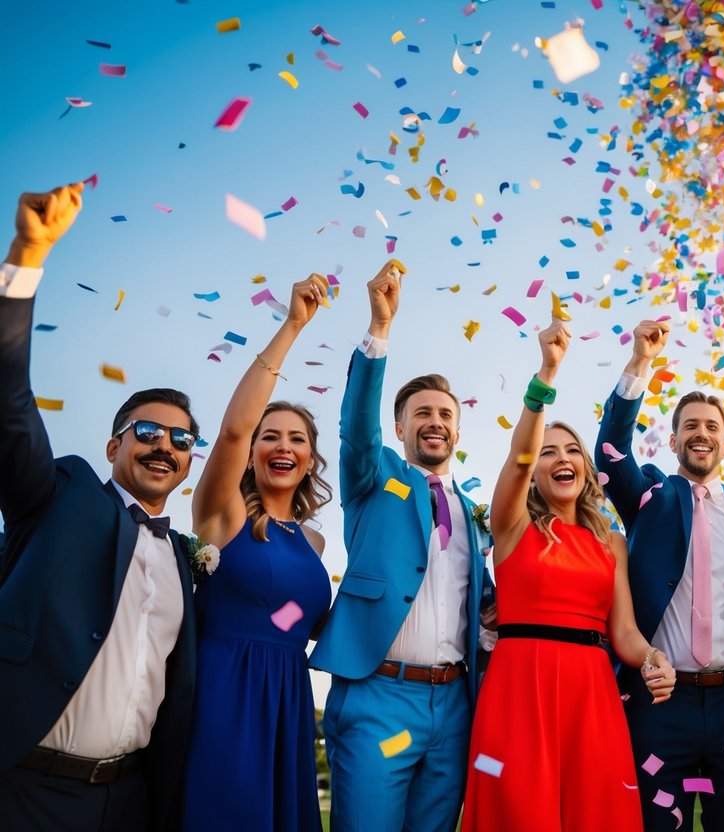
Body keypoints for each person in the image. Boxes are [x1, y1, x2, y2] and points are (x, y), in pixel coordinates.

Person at [0, 183, 200, 830]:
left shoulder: (184, 557)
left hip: (130, 801)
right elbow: (8, 406)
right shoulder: (60, 494)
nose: (163, 445)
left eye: (180, 438)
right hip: (23, 789)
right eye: (146, 431)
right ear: (114, 444)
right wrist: (27, 255)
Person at [462, 317, 676, 830]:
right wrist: (547, 375)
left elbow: (622, 632)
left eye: (572, 450)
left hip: (591, 692)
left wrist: (651, 657)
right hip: (519, 685)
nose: (563, 459)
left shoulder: (611, 541)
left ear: (585, 466)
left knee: (593, 813)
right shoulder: (511, 524)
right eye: (549, 453)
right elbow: (517, 457)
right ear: (536, 472)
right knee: (519, 811)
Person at [309, 261, 494, 832]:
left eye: (445, 415)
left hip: (455, 705)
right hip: (379, 695)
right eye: (422, 414)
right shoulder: (374, 479)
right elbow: (354, 427)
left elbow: (478, 604)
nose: (435, 422)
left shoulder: (474, 513)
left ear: (458, 432)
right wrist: (379, 329)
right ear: (400, 428)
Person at [595, 319, 724, 831]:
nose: (701, 433)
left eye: (712, 427)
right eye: (691, 426)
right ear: (674, 442)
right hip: (660, 700)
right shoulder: (651, 497)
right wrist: (640, 364)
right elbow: (608, 454)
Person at [179, 274, 335, 830]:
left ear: (311, 459)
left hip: (289, 697)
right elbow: (230, 431)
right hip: (224, 691)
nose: (283, 446)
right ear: (252, 454)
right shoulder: (224, 514)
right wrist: (292, 326)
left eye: (297, 439)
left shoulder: (313, 541)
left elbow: (294, 617)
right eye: (270, 436)